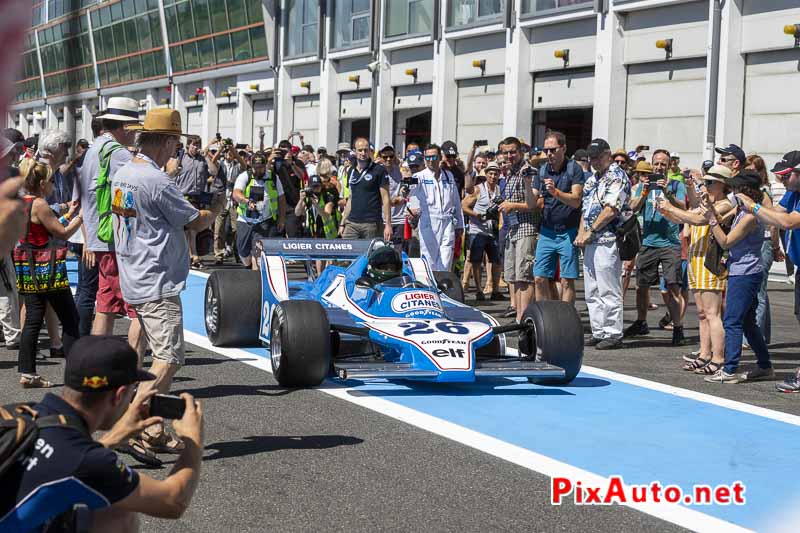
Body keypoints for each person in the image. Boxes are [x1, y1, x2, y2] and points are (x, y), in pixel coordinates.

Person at [0, 335, 203, 532]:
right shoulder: (84, 459)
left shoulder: (23, 413)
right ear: (119, 395)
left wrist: (117, 435)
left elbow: (63, 463)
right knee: (119, 515)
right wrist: (193, 440)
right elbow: (172, 501)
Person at [112, 108, 221, 464]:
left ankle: (154, 430)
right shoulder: (156, 181)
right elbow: (195, 222)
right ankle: (129, 426)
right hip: (156, 278)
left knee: (156, 354)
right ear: (169, 141)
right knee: (168, 358)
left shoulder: (125, 171)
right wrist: (216, 208)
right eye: (176, 140)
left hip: (135, 271)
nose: (177, 148)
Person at [74, 97, 144, 354]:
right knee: (137, 306)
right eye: (134, 127)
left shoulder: (94, 149)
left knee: (105, 303)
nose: (136, 133)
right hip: (115, 237)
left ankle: (94, 360)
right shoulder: (118, 153)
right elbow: (137, 188)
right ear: (124, 126)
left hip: (99, 234)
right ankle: (129, 370)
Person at [658, 165, 734, 375]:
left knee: (712, 313)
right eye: (706, 182)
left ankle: (718, 358)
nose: (707, 186)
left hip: (710, 261)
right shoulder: (707, 204)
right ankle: (704, 353)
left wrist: (671, 209)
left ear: (722, 185)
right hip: (696, 259)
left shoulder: (725, 205)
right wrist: (665, 210)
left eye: (710, 182)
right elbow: (685, 217)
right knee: (702, 313)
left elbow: (699, 219)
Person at [699, 170, 774, 383]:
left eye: (735, 187)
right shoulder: (742, 209)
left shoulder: (750, 216)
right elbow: (721, 218)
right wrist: (710, 208)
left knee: (732, 321)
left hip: (745, 273)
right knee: (748, 322)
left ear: (744, 190)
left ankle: (729, 369)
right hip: (743, 271)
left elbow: (726, 241)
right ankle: (765, 366)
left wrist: (711, 220)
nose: (731, 190)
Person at [15, 158, 83, 388]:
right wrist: (80, 218)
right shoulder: (40, 204)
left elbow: (44, 228)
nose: (54, 184)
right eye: (52, 180)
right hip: (48, 267)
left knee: (33, 319)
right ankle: (76, 374)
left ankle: (27, 372)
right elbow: (61, 233)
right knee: (71, 319)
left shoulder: (21, 202)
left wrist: (69, 213)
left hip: (27, 265)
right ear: (42, 183)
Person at [735, 152, 800, 392]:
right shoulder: (794, 193)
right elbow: (777, 215)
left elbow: (788, 222)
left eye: (786, 174)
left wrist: (752, 205)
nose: (782, 180)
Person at [624, 149, 688, 346]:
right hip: (649, 241)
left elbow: (683, 208)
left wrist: (667, 192)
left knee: (673, 286)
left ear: (669, 166)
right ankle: (641, 321)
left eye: (663, 164)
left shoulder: (676, 185)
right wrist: (643, 191)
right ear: (652, 165)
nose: (659, 167)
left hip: (670, 243)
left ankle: (678, 328)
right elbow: (632, 208)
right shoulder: (643, 186)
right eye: (656, 163)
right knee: (641, 285)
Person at [576, 139, 631, 350]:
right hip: (592, 240)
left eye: (598, 157)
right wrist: (582, 232)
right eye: (591, 158)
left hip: (608, 238)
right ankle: (599, 330)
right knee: (592, 289)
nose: (594, 161)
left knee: (609, 288)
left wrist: (590, 231)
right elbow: (586, 209)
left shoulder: (617, 177)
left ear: (608, 154)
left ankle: (613, 332)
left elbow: (611, 210)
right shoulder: (592, 179)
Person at [530, 130, 585, 304]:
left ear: (564, 148)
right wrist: (526, 183)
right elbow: (532, 203)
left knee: (566, 281)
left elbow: (576, 201)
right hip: (547, 231)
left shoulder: (573, 169)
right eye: (546, 150)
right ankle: (545, 316)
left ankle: (566, 317)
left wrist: (556, 192)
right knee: (539, 278)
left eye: (553, 150)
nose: (549, 154)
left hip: (568, 232)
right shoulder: (542, 170)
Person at [497, 137, 537, 323]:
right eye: (505, 152)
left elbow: (532, 203)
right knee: (514, 277)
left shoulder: (527, 170)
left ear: (520, 151)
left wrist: (511, 205)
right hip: (512, 228)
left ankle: (524, 317)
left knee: (525, 276)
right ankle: (519, 315)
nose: (509, 155)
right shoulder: (509, 172)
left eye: (512, 151)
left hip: (526, 227)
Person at [743, 153, 781, 347]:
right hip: (753, 243)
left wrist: (775, 246)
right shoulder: (749, 190)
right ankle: (760, 335)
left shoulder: (763, 192)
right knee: (757, 291)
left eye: (752, 170)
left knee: (759, 291)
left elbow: (773, 222)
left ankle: (754, 337)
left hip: (763, 242)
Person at [407, 144, 464, 272]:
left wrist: (460, 224)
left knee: (446, 260)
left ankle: (441, 289)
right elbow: (410, 194)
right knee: (429, 260)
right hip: (428, 222)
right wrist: (414, 209)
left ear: (440, 157)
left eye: (434, 157)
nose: (431, 160)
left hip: (447, 222)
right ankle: (429, 289)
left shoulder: (448, 176)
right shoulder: (419, 176)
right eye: (427, 157)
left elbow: (456, 201)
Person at [234, 151, 287, 269]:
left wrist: (281, 219)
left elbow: (281, 199)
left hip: (264, 221)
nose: (259, 170)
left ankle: (257, 280)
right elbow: (236, 193)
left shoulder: (273, 178)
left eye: (261, 168)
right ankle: (249, 266)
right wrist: (246, 201)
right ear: (251, 166)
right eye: (256, 168)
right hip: (245, 220)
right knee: (243, 253)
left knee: (257, 253)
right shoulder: (245, 176)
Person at [172, 137, 218, 268]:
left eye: (198, 145)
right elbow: (172, 172)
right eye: (194, 145)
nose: (196, 147)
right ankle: (192, 256)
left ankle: (192, 256)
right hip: (182, 196)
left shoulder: (202, 159)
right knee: (186, 229)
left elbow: (214, 171)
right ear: (188, 146)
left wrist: (208, 157)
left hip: (197, 197)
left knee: (192, 228)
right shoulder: (181, 157)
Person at [462, 161, 503, 300]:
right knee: (476, 260)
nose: (493, 176)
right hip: (477, 230)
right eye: (490, 173)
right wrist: (477, 215)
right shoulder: (478, 189)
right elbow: (464, 206)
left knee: (496, 261)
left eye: (496, 173)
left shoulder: (499, 189)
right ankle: (479, 290)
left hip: (493, 230)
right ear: (486, 174)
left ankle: (495, 290)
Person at [340, 138, 392, 242]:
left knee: (370, 256)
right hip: (352, 223)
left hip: (371, 223)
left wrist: (388, 224)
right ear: (354, 151)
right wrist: (342, 222)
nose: (363, 153)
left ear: (369, 151)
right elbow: (351, 198)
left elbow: (386, 198)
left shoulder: (379, 170)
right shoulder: (351, 170)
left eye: (365, 150)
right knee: (347, 255)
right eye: (360, 150)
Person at [212, 141, 246, 264]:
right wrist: (221, 149)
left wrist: (234, 150)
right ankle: (218, 255)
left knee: (236, 228)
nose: (229, 155)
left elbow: (244, 164)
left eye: (231, 153)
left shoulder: (237, 165)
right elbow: (213, 161)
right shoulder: (220, 164)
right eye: (228, 153)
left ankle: (238, 253)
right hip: (221, 198)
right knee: (218, 229)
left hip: (233, 201)